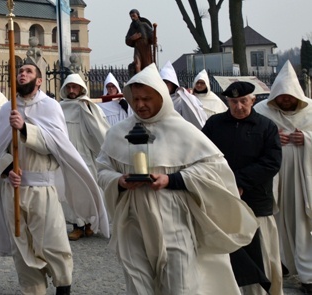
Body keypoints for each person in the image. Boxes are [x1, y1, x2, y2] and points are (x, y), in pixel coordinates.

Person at [95, 64, 258, 295]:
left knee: (181, 285)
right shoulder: (118, 132)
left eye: (147, 98)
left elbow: (214, 169)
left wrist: (172, 180)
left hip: (173, 217)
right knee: (138, 285)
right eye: (136, 98)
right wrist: (119, 181)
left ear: (161, 98)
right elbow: (102, 168)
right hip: (132, 219)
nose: (140, 105)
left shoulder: (183, 130)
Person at [0, 61, 109, 295]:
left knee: (52, 242)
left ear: (39, 80)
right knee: (21, 247)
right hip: (14, 189)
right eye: (20, 71)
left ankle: (63, 286)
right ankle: (34, 290)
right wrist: (7, 170)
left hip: (42, 187)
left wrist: (24, 129)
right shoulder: (6, 109)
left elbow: (56, 146)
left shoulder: (50, 107)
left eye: (28, 71)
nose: (22, 74)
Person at [202, 81, 283, 295]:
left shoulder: (266, 126)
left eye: (243, 101)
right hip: (222, 200)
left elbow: (271, 162)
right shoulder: (214, 125)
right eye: (234, 102)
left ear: (253, 100)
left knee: (262, 257)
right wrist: (226, 184)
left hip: (256, 202)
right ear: (227, 102)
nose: (239, 107)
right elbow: (203, 156)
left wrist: (239, 182)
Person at [254, 61, 312, 295]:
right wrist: (271, 136)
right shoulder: (262, 112)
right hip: (274, 177)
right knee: (275, 221)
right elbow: (252, 135)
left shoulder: (310, 112)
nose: (286, 100)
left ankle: (308, 273)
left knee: (302, 222)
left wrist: (307, 139)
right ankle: (280, 265)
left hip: (302, 178)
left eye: (290, 96)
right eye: (282, 96)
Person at [59, 73, 110, 241]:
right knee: (71, 190)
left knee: (89, 187)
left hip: (84, 152)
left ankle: (89, 223)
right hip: (67, 153)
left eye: (75, 87)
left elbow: (99, 128)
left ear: (81, 88)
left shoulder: (88, 106)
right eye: (69, 87)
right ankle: (77, 225)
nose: (72, 90)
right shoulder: (60, 107)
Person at [159, 61, 207, 129]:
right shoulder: (157, 100)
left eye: (167, 82)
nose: (164, 85)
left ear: (173, 83)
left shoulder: (183, 99)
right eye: (162, 82)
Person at [125, 8, 154, 74]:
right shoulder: (132, 27)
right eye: (131, 16)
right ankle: (138, 78)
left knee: (147, 66)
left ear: (138, 15)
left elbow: (152, 35)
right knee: (137, 65)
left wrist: (153, 39)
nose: (132, 18)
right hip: (137, 48)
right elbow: (127, 39)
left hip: (146, 49)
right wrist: (132, 38)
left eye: (134, 16)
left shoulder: (144, 25)